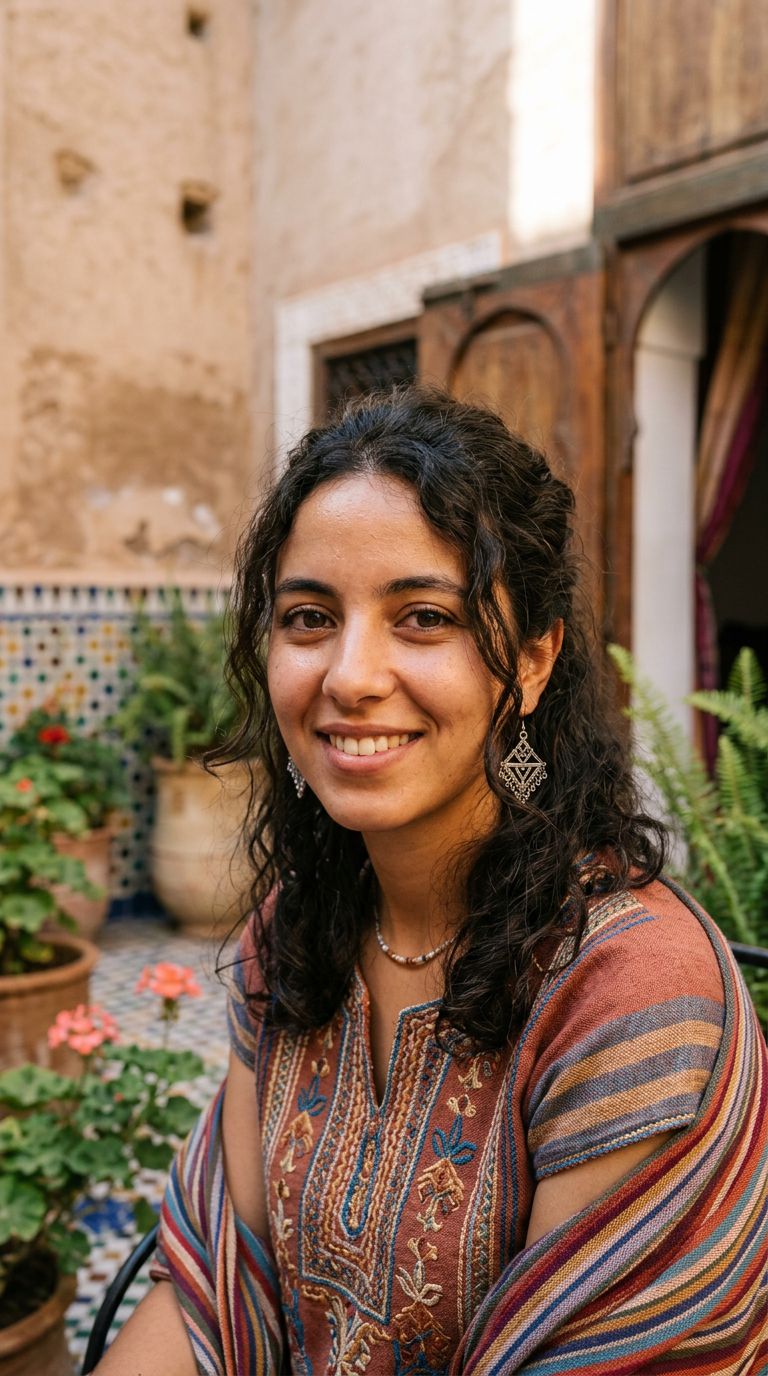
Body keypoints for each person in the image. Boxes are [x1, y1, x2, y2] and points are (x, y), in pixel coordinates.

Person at [95, 387, 767, 1375]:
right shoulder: (290, 936)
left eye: (422, 616)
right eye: (310, 616)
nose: (350, 675)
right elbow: (209, 1293)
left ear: (533, 661)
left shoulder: (632, 999)